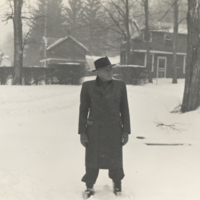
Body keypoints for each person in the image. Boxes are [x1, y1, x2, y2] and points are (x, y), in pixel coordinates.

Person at [78, 57, 131, 199]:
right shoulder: (88, 86)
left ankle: (117, 184)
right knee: (92, 160)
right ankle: (89, 186)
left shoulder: (120, 86)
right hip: (94, 130)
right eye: (107, 70)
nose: (110, 72)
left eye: (111, 69)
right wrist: (82, 132)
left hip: (114, 129)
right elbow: (83, 110)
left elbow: (124, 109)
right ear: (99, 72)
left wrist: (126, 130)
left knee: (115, 159)